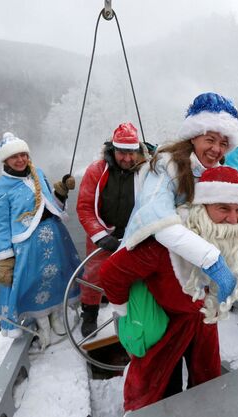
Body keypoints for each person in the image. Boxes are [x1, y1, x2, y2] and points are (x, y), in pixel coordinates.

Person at [96, 166, 238, 412]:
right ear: (202, 208)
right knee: (158, 390)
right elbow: (111, 273)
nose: (234, 220)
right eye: (223, 208)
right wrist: (125, 311)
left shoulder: (229, 237)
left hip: (203, 320)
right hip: (164, 322)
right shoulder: (163, 245)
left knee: (206, 382)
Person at [120, 92, 238, 299]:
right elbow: (157, 220)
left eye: (224, 144)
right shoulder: (167, 167)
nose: (217, 149)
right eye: (210, 140)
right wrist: (212, 260)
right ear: (193, 136)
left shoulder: (218, 173)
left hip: (191, 271)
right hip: (153, 267)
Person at [0, 132, 80, 348]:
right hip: (28, 246)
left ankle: (57, 317)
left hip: (55, 236)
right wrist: (4, 259)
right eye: (15, 157)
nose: (20, 160)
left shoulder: (38, 173)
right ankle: (42, 324)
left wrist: (61, 191)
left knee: (57, 275)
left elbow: (50, 204)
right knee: (34, 282)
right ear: (5, 160)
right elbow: (0, 226)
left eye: (23, 155)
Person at [76, 122, 150, 337]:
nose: (127, 158)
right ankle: (89, 314)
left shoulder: (148, 172)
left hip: (134, 237)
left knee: (136, 278)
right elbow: (84, 207)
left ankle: (136, 316)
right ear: (113, 149)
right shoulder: (95, 171)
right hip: (102, 236)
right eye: (122, 152)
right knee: (93, 276)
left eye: (132, 152)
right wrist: (100, 237)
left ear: (139, 150)